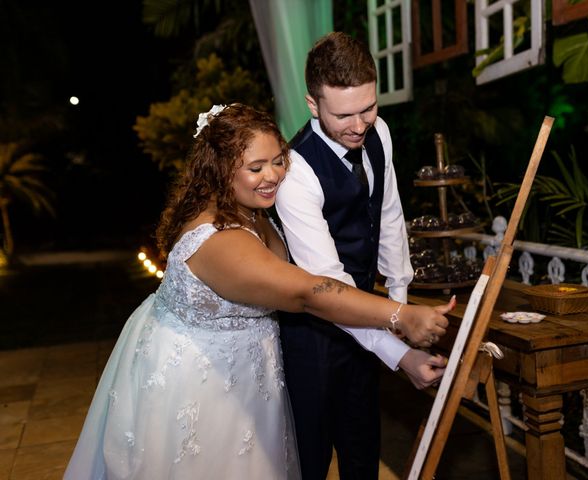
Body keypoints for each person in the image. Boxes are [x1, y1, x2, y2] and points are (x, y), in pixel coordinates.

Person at [64, 103, 452, 480]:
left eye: (278, 160)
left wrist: (400, 354)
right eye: (255, 167)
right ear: (219, 170)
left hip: (249, 375)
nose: (273, 175)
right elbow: (306, 292)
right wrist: (400, 315)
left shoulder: (250, 207)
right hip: (202, 386)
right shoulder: (220, 240)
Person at [275, 32, 452, 479]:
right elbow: (328, 285)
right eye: (344, 115)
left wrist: (400, 297)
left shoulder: (379, 132)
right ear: (313, 104)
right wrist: (398, 341)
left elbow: (388, 213)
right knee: (311, 461)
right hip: (312, 331)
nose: (359, 125)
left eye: (368, 108)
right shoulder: (294, 174)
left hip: (369, 318)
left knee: (362, 452)